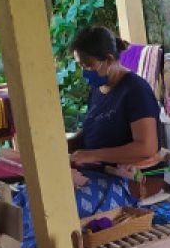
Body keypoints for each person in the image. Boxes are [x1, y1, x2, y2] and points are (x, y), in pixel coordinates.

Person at [66, 26, 162, 182]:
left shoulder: (136, 91)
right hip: (97, 172)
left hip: (129, 180)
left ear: (109, 60)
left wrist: (93, 155)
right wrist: (64, 146)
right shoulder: (98, 89)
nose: (84, 71)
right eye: (80, 65)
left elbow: (147, 147)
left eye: (88, 65)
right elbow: (94, 130)